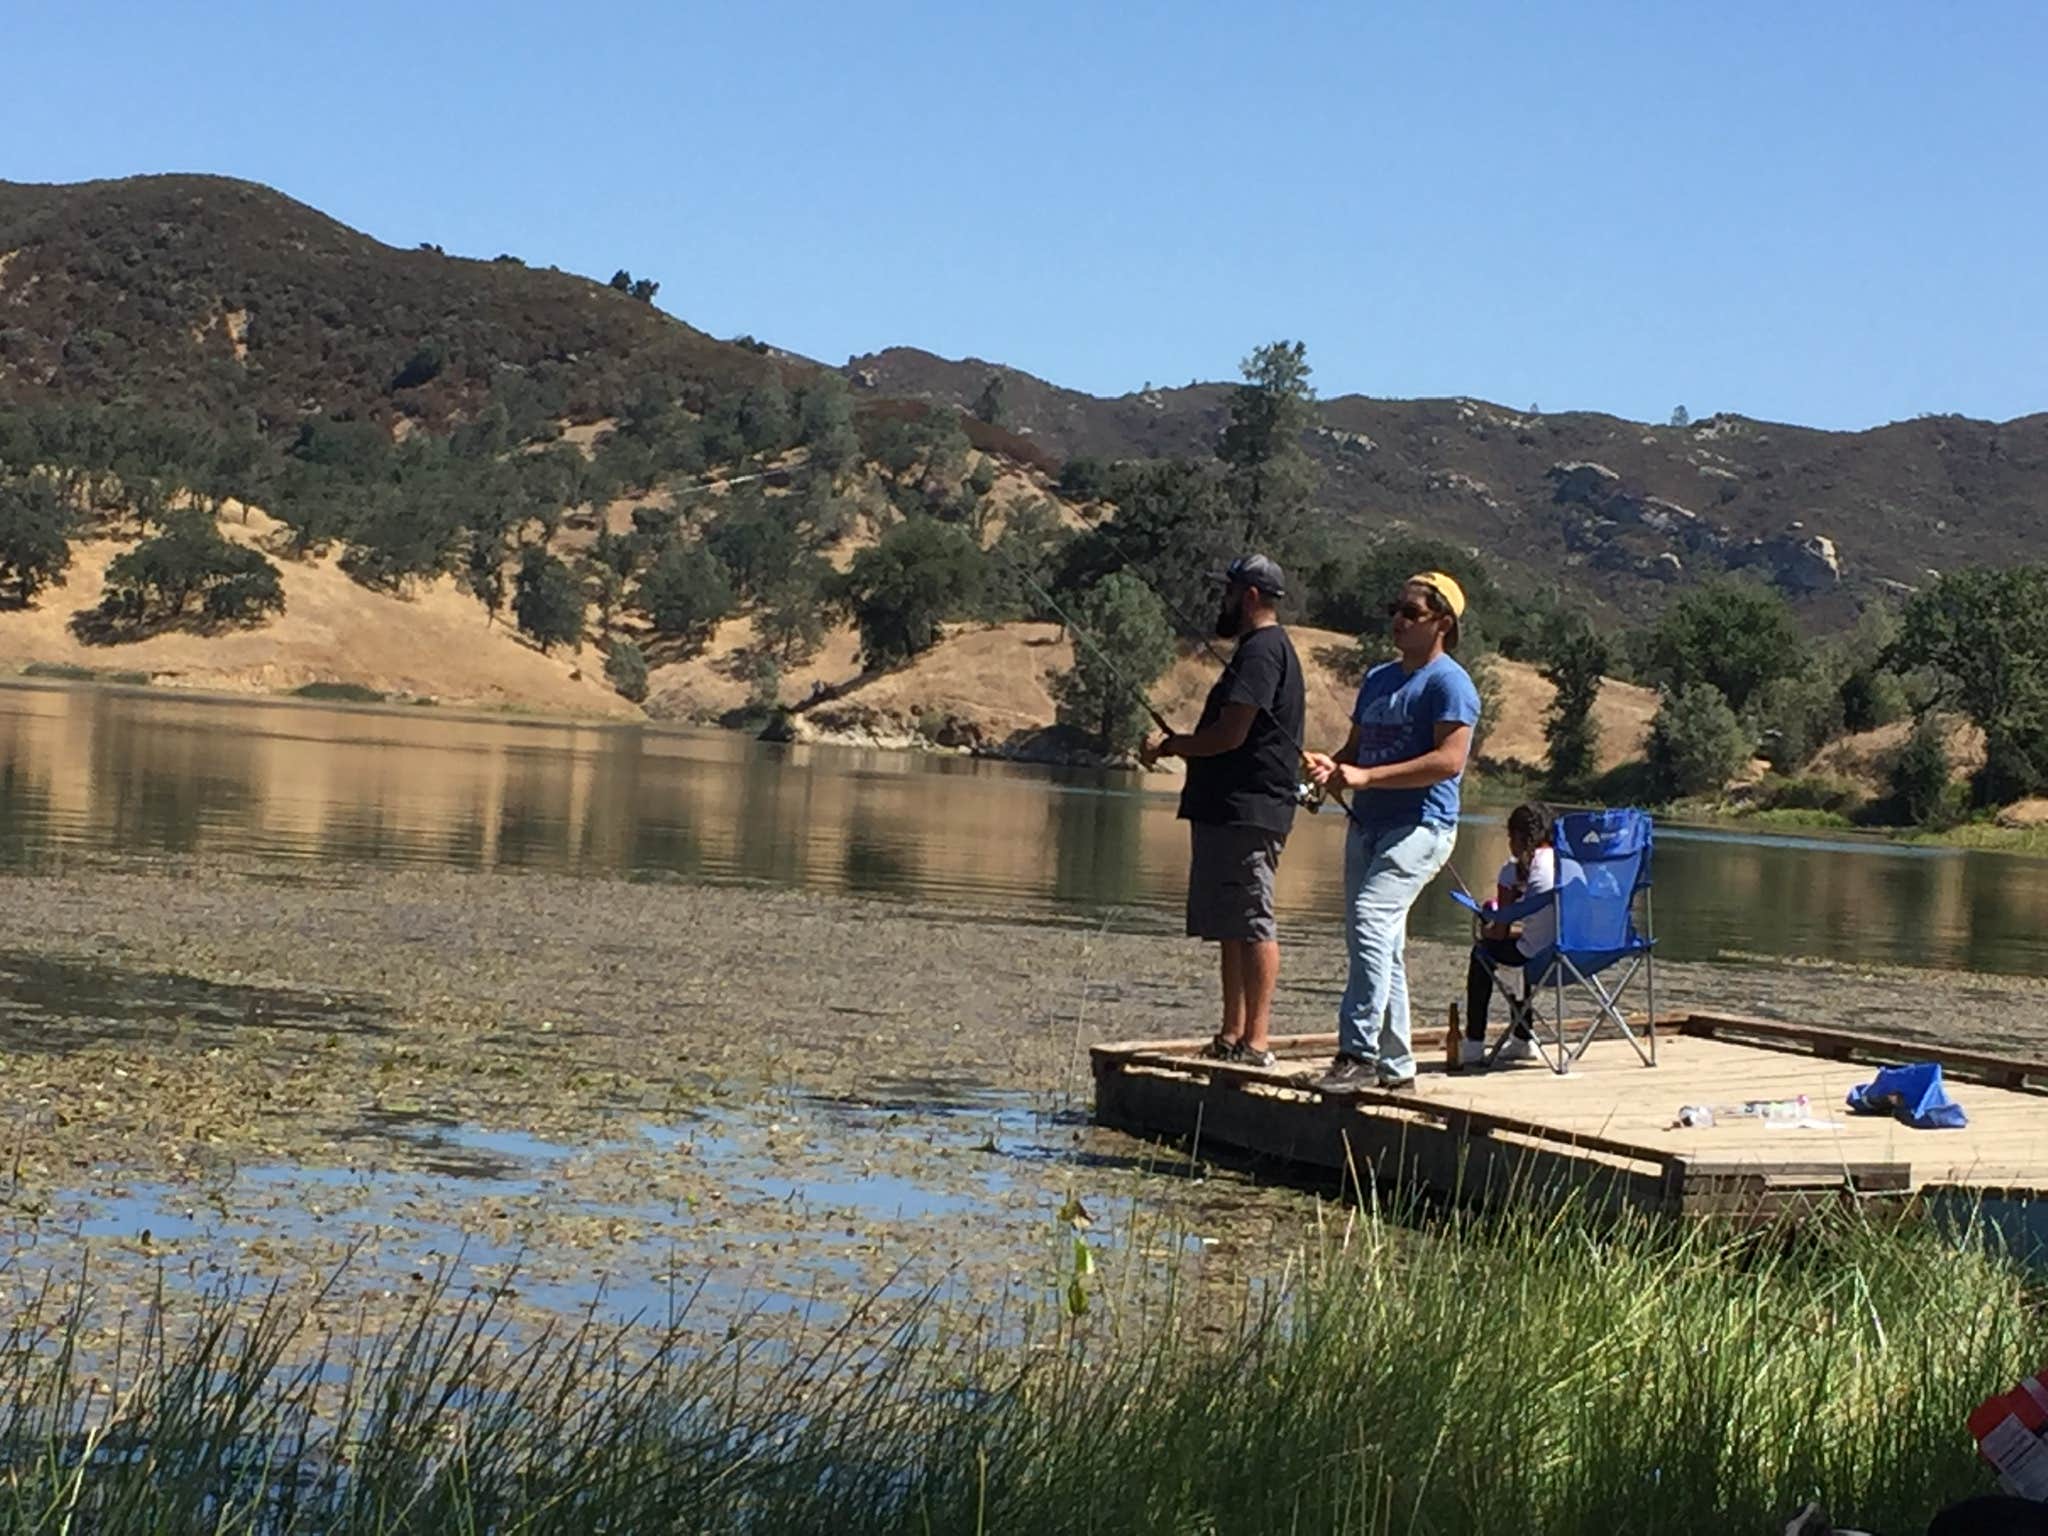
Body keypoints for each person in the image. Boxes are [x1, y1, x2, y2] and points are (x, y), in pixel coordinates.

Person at [1304, 572, 1480, 1091]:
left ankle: (1357, 1054)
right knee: (1383, 942)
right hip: (1368, 824)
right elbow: (1355, 752)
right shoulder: (1379, 679)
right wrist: (1332, 769)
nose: (1397, 621)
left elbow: (1449, 762)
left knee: (1370, 920)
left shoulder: (1450, 684)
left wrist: (1367, 777)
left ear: (1442, 623)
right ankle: (1397, 1066)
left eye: (1410, 613)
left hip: (1423, 826)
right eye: (1394, 610)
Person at [1141, 554, 1306, 1071]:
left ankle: (1256, 1042)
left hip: (1249, 810)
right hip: (1231, 810)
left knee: (1253, 921)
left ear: (1250, 595)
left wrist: (1172, 746)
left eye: (1230, 591)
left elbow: (1231, 734)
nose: (1224, 600)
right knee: (1232, 925)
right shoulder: (1257, 650)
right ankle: (1232, 1033)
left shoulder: (1263, 652)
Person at [1462, 800, 1556, 1066]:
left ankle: (1474, 1043)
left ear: (1516, 836)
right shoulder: (1569, 863)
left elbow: (1500, 933)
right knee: (1525, 944)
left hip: (1539, 961)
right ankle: (1522, 1039)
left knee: (1483, 952)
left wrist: (1487, 927)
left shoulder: (1511, 871)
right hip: (1575, 957)